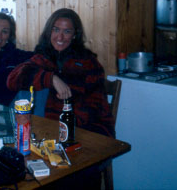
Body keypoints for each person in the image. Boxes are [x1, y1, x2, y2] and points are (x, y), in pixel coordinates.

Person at [7, 8, 115, 138]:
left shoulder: (88, 63)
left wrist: (62, 128)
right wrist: (51, 78)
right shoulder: (44, 58)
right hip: (49, 130)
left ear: (75, 35)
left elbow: (94, 108)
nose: (60, 37)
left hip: (84, 131)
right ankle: (17, 133)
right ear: (49, 32)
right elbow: (12, 80)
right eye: (56, 29)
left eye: (67, 31)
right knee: (25, 88)